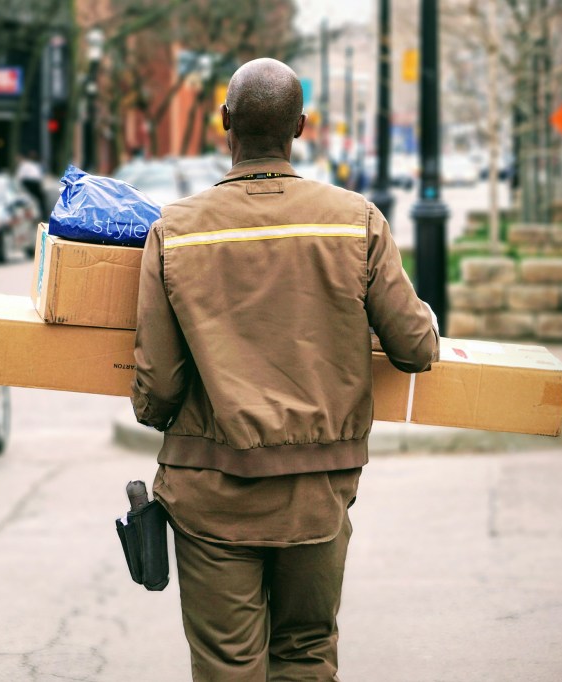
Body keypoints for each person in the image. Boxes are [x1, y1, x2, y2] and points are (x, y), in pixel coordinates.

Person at [131, 58, 439, 681]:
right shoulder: (357, 222)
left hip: (209, 494)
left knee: (228, 664)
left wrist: (157, 411)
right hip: (316, 494)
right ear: (300, 125)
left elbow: (158, 388)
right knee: (304, 652)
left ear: (225, 125)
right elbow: (414, 348)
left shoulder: (176, 231)